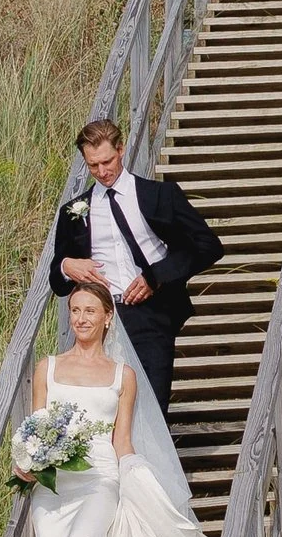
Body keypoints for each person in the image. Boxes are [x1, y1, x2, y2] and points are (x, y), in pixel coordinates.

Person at [24, 280, 220, 537]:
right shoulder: (48, 368)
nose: (80, 318)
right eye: (75, 310)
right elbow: (35, 429)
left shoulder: (122, 376)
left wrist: (144, 486)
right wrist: (26, 463)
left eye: (90, 311)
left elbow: (122, 442)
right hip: (54, 483)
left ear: (107, 317)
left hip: (98, 478)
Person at [47, 117, 224, 415]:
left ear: (121, 149)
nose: (102, 172)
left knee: (152, 406)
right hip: (99, 322)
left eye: (107, 161)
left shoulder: (160, 195)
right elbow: (56, 278)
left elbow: (208, 246)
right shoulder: (74, 211)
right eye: (93, 166)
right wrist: (67, 265)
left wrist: (156, 276)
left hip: (151, 313)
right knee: (103, 410)